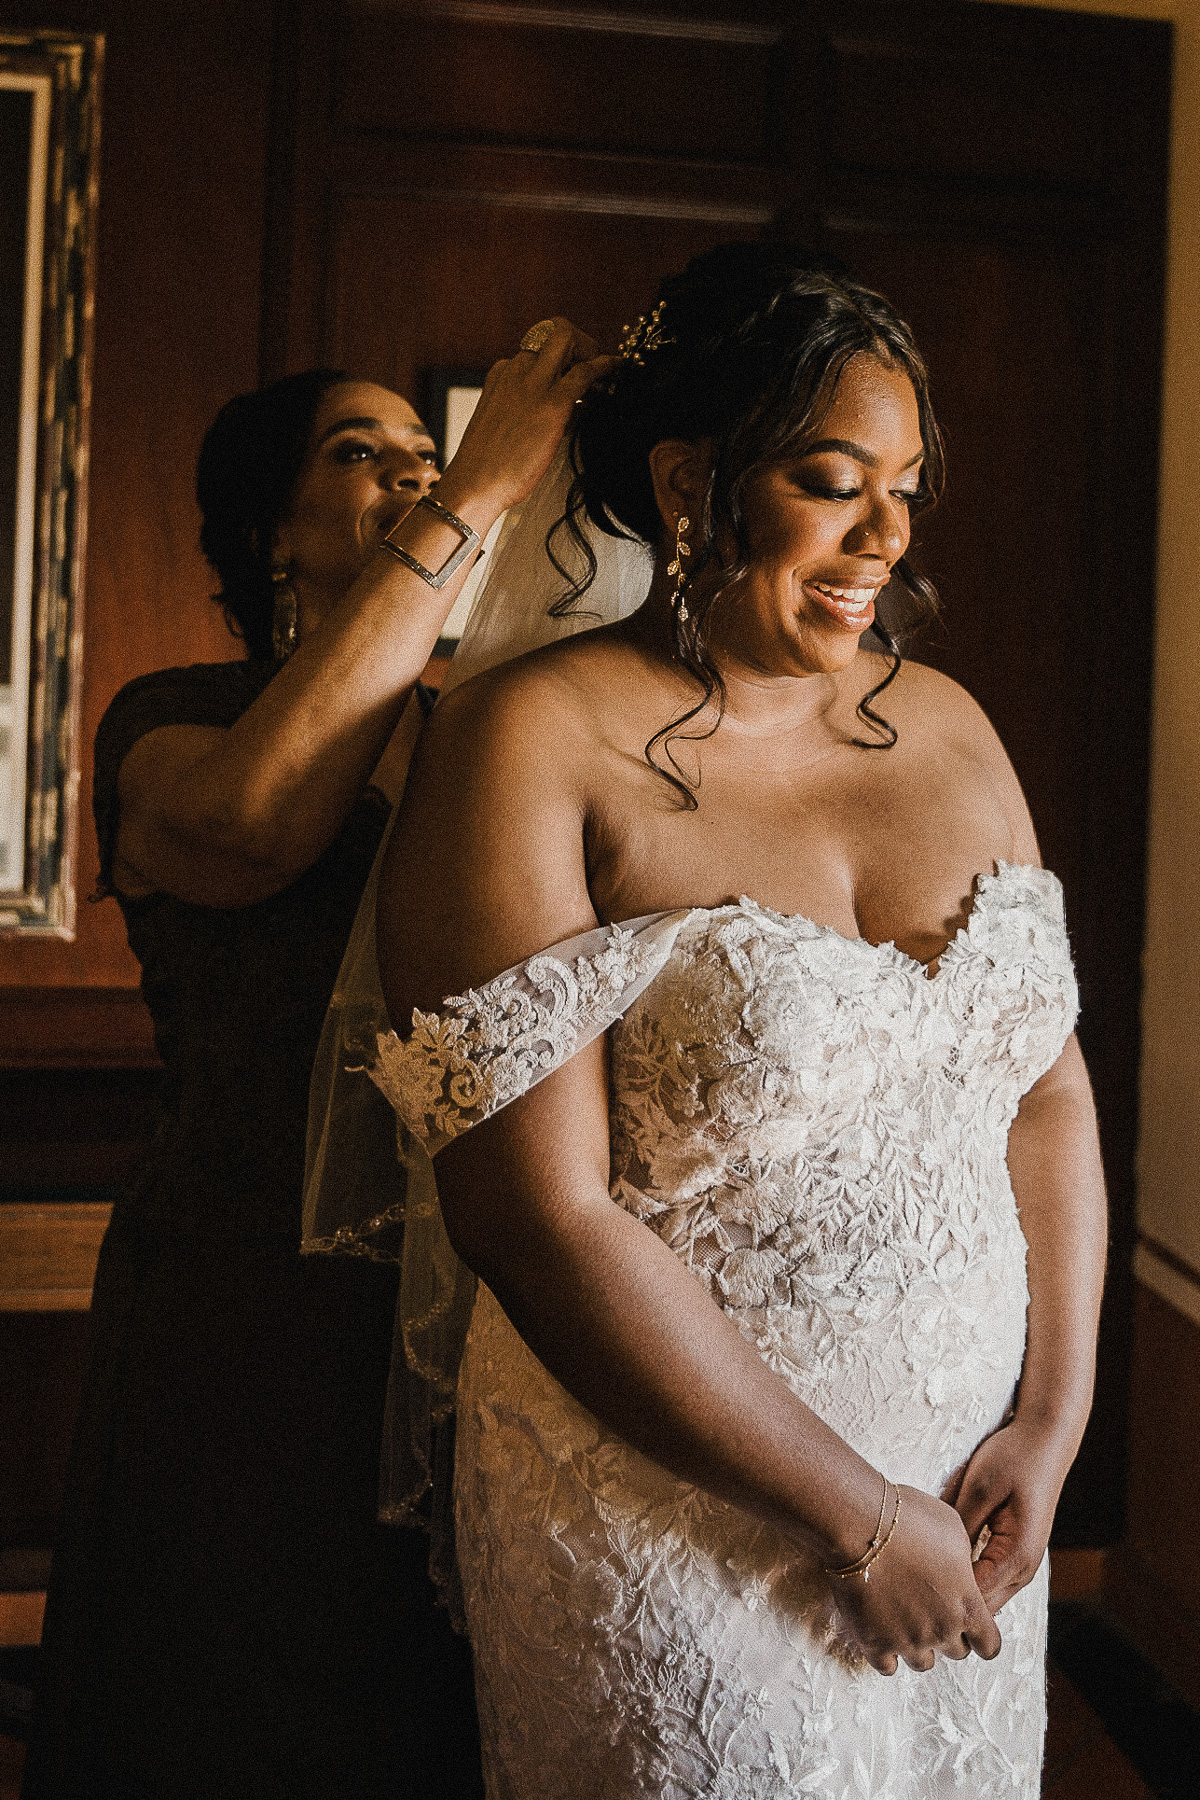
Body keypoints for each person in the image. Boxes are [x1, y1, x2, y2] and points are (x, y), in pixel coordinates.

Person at [330, 244, 1107, 1798]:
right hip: (666, 1525)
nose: (886, 534)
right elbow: (531, 1213)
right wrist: (855, 1519)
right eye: (834, 482)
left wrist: (1053, 1413)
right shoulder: (530, 744)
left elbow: (1044, 1092)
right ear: (692, 484)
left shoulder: (952, 722)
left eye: (904, 485)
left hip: (966, 1519)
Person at [23, 330, 611, 1800]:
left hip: (481, 1282)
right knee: (232, 1690)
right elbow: (247, 833)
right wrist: (473, 492)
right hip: (246, 1291)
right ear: (269, 530)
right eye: (364, 457)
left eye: (428, 454)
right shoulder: (173, 720)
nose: (413, 475)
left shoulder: (498, 732)